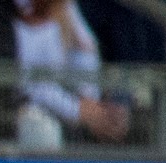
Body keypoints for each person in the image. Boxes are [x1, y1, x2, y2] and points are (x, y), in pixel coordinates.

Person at [13, 0, 128, 148]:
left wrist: (88, 98)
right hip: (25, 110)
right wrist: (77, 110)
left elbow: (85, 47)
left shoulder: (66, 8)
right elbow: (32, 86)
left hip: (63, 106)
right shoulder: (21, 12)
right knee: (36, 119)